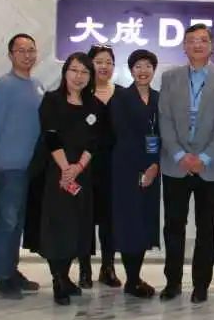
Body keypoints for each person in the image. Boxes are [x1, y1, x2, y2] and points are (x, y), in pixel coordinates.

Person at [158, 23, 214, 303]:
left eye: (203, 40)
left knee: (207, 228)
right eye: (191, 40)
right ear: (184, 46)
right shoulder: (169, 78)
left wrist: (204, 158)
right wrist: (180, 155)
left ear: (211, 46)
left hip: (211, 166)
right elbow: (164, 119)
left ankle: (201, 285)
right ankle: (172, 283)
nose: (197, 44)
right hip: (176, 165)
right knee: (173, 226)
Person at [37, 53, 103, 306]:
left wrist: (78, 167)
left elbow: (94, 141)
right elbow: (51, 136)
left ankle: (66, 276)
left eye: (84, 72)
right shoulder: (52, 100)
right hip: (58, 171)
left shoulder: (94, 105)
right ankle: (58, 279)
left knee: (77, 225)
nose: (79, 76)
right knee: (58, 226)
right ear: (65, 72)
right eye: (74, 70)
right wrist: (66, 169)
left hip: (81, 173)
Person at [0, 33, 45, 299]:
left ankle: (11, 270)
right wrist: (1, 156)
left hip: (30, 167)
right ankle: (2, 277)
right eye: (21, 50)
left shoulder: (37, 85)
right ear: (10, 55)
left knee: (18, 223)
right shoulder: (4, 85)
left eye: (31, 50)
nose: (27, 55)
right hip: (10, 166)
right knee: (7, 222)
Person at [110, 49, 163, 299]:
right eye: (138, 66)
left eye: (148, 66)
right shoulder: (120, 98)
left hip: (153, 170)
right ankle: (131, 280)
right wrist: (143, 167)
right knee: (129, 223)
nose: (143, 71)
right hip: (127, 169)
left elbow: (162, 135)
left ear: (154, 70)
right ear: (131, 70)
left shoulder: (159, 98)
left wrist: (154, 166)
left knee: (144, 223)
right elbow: (123, 135)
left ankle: (136, 277)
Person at [79, 44, 121, 289]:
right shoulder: (79, 95)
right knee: (84, 218)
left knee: (110, 220)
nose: (104, 66)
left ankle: (108, 267)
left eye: (109, 62)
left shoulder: (123, 95)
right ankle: (84, 269)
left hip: (114, 168)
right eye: (99, 62)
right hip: (85, 167)